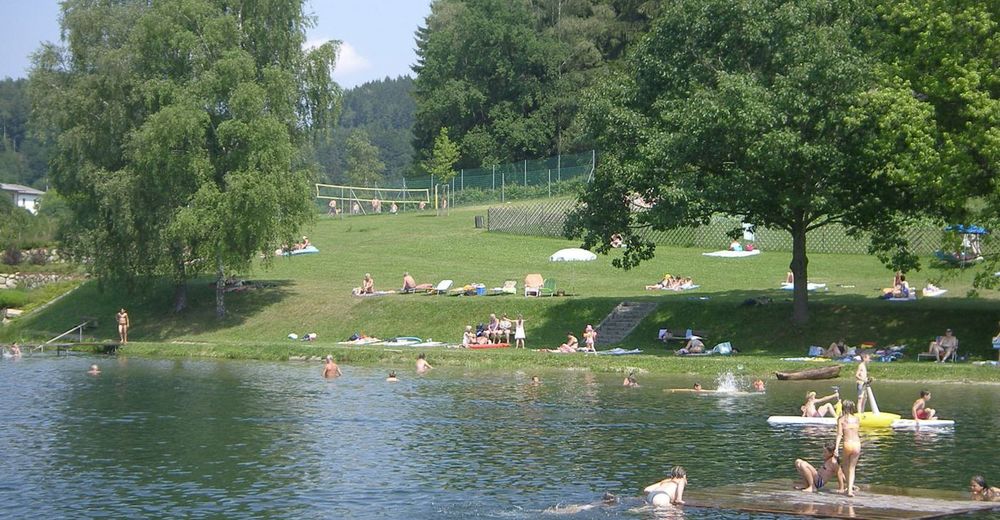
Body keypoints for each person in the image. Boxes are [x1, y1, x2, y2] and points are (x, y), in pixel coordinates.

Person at [834, 400, 862, 497]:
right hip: (857, 444)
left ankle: (849, 488)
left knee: (845, 466)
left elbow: (839, 434)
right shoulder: (857, 419)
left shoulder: (841, 419)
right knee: (852, 468)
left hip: (847, 444)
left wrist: (836, 448)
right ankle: (850, 489)